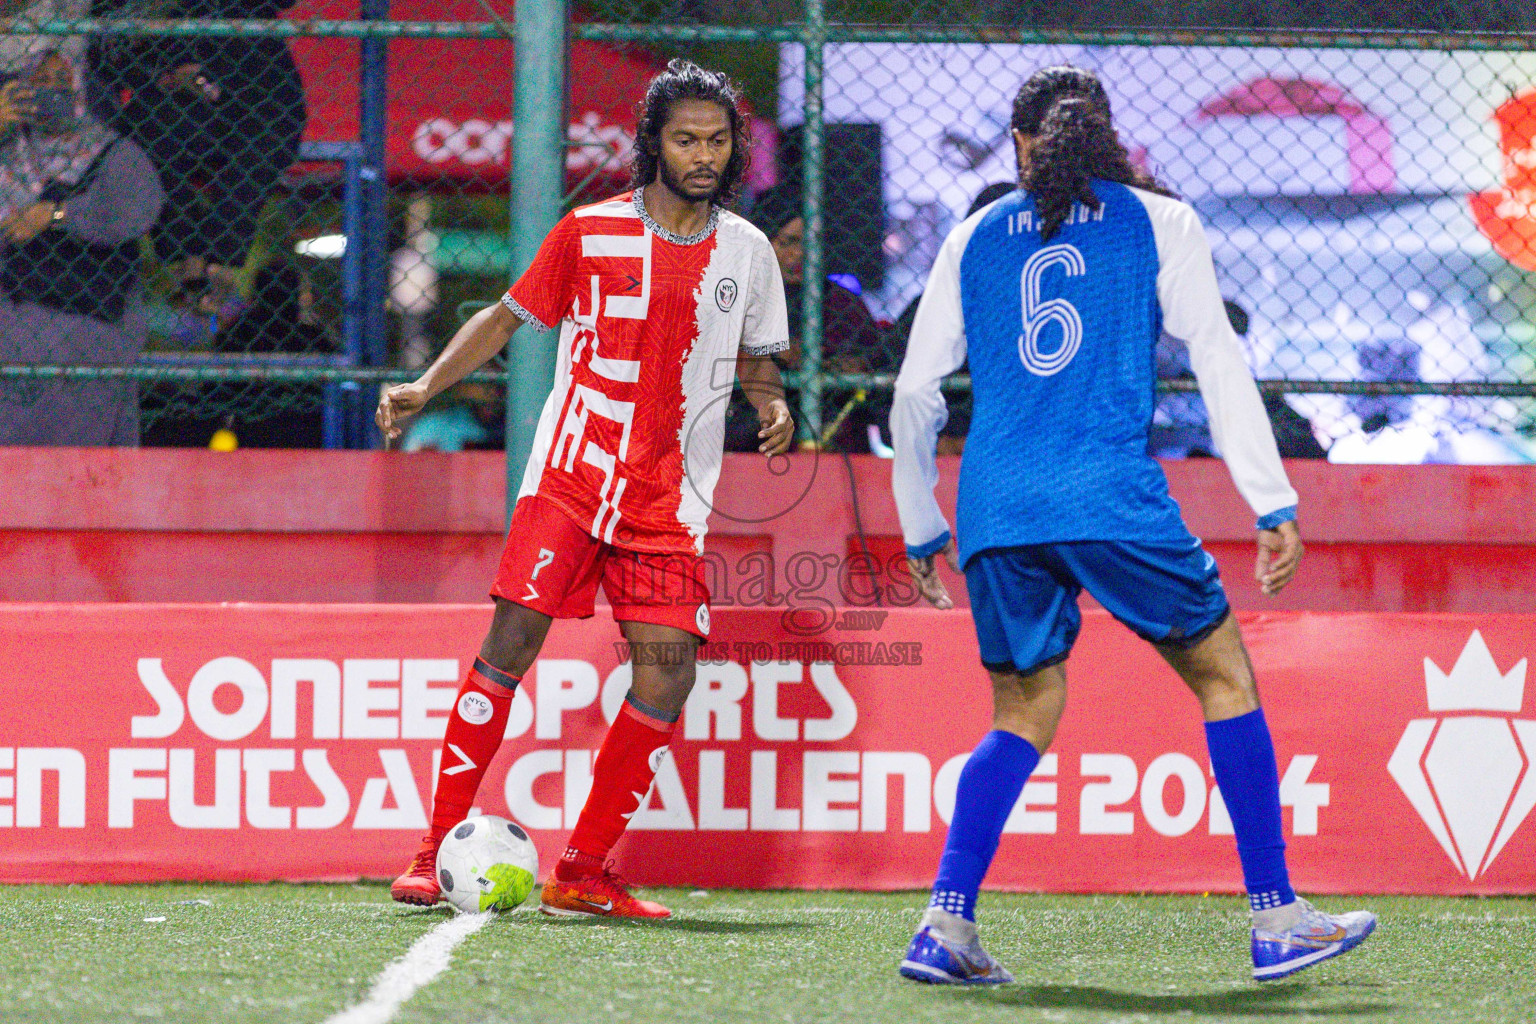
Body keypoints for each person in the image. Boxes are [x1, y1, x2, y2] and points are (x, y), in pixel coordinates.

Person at [890, 66, 1375, 985]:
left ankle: (944, 926)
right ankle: (1276, 916)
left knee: (1024, 707)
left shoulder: (971, 237)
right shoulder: (1161, 221)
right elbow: (1220, 362)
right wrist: (1270, 497)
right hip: (1107, 494)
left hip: (996, 506)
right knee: (1226, 674)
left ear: (1019, 145)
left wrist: (922, 523)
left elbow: (914, 393)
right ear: (1106, 137)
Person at [375, 60, 793, 918]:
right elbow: (503, 318)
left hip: (672, 501)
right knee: (513, 639)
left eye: (717, 141)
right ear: (655, 144)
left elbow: (755, 353)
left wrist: (771, 401)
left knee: (669, 670)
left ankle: (583, 871)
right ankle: (433, 849)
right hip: (571, 479)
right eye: (686, 139)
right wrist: (426, 387)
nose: (704, 155)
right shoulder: (590, 231)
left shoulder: (748, 251)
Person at [92, 0, 307, 301]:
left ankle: (219, 259)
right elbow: (109, 45)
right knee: (146, 131)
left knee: (267, 135)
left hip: (254, 83)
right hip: (175, 85)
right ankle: (187, 255)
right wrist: (164, 69)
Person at [0, 50, 164, 445]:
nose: (51, 91)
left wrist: (57, 214)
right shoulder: (8, 150)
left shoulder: (111, 152)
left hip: (88, 331)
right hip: (11, 331)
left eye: (62, 81)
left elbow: (138, 210)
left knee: (80, 465)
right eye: (39, 82)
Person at [722, 181, 881, 451]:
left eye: (810, 243)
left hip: (832, 439)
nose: (799, 255)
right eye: (788, 242)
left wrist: (826, 362)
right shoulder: (736, 296)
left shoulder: (841, 302)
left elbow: (870, 362)